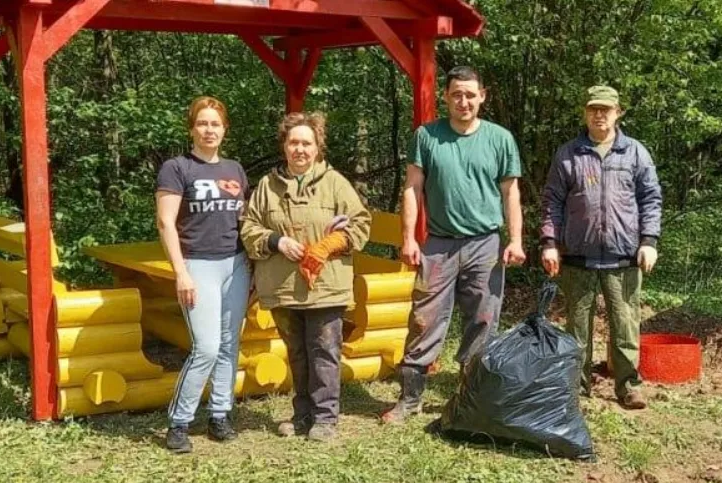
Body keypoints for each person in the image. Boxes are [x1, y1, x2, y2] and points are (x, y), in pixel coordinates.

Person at [382, 66, 526, 424]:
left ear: (482, 97)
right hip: (438, 244)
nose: (464, 101)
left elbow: (511, 193)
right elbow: (413, 188)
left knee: (483, 318)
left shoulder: (500, 138)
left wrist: (516, 240)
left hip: (485, 245)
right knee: (424, 318)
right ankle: (410, 398)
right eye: (456, 94)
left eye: (470, 95)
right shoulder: (427, 137)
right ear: (446, 97)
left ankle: (470, 393)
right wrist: (409, 239)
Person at [240, 112, 371, 441]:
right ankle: (302, 416)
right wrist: (276, 241)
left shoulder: (335, 183)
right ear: (284, 146)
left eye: (306, 143)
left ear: (318, 147)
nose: (300, 149)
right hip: (283, 288)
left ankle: (325, 420)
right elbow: (249, 228)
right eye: (293, 142)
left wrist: (331, 244)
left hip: (326, 286)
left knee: (324, 351)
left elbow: (360, 223)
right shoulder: (267, 187)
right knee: (297, 353)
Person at [539, 85, 663, 409]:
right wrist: (550, 243)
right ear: (585, 112)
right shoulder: (568, 154)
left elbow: (651, 199)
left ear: (617, 112)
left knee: (625, 324)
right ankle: (575, 388)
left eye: (605, 109)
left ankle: (628, 386)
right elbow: (552, 201)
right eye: (593, 108)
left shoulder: (635, 153)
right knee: (577, 327)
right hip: (577, 255)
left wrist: (649, 241)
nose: (599, 115)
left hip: (624, 255)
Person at [156, 96, 251, 453]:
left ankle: (220, 414)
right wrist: (180, 272)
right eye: (202, 123)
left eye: (215, 124)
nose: (209, 130)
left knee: (230, 344)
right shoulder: (177, 168)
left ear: (225, 129)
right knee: (207, 347)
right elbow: (166, 222)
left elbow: (245, 221)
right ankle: (179, 422)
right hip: (198, 265)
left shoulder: (235, 169)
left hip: (236, 264)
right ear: (191, 128)